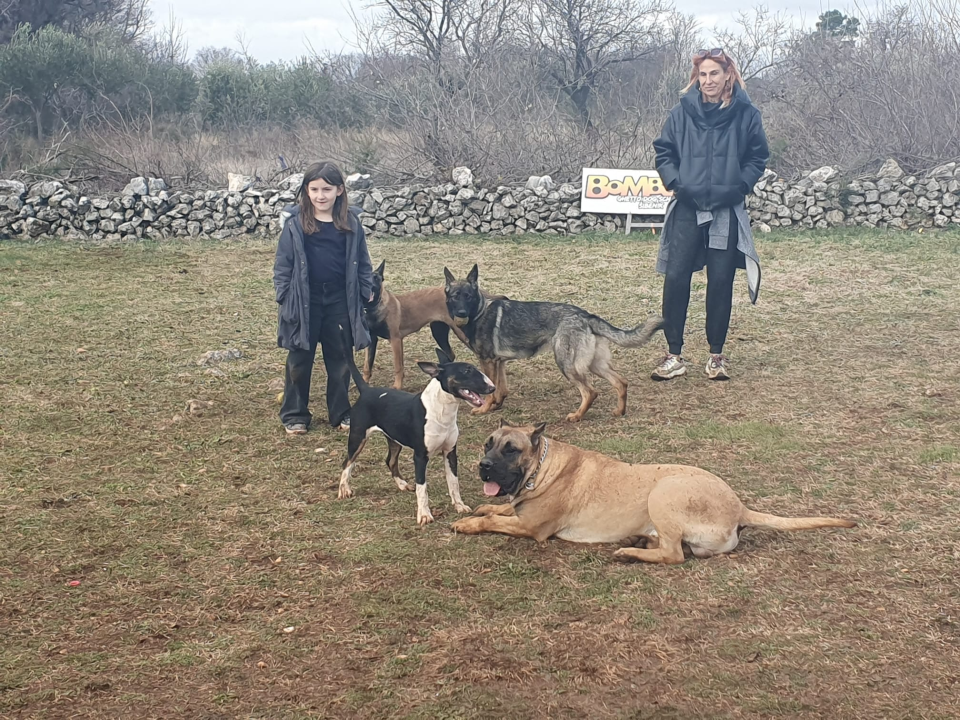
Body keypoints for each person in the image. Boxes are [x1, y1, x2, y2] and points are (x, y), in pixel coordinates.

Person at [651, 48, 769, 381]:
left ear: (728, 74)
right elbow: (664, 152)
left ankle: (716, 356)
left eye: (714, 73)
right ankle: (673, 355)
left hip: (725, 211)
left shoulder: (747, 114)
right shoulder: (681, 113)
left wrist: (740, 186)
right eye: (702, 75)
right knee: (676, 280)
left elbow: (758, 156)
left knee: (720, 282)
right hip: (688, 207)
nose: (708, 81)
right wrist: (677, 183)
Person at [273, 161, 374, 434]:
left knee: (341, 360)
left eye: (327, 189)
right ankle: (294, 414)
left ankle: (341, 413)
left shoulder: (351, 224)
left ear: (339, 190)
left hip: (340, 299)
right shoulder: (295, 225)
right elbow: (283, 264)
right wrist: (284, 295)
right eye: (314, 189)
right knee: (299, 361)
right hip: (304, 301)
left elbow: (362, 262)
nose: (320, 195)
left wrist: (366, 289)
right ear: (306, 191)